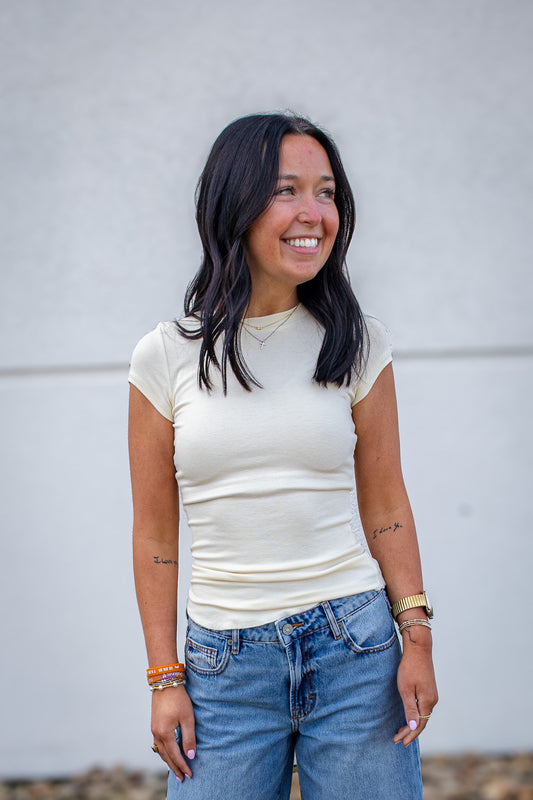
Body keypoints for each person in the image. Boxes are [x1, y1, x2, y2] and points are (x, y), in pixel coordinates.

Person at [128, 112, 438, 800]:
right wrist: (163, 677)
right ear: (232, 203)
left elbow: (385, 504)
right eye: (286, 190)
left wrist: (415, 636)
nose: (313, 214)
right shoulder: (165, 355)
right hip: (224, 668)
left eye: (326, 193)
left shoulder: (357, 343)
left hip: (354, 649)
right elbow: (153, 533)